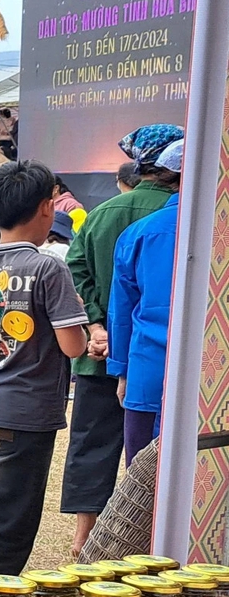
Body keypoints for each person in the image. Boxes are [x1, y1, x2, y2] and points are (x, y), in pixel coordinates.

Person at [0, 159, 89, 597]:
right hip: (23, 413)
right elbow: (73, 346)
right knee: (10, 525)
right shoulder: (48, 269)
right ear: (49, 208)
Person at [61, 124, 182, 554]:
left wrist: (98, 330)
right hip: (191, 369)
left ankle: (88, 537)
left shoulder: (110, 216)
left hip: (122, 361)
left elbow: (80, 274)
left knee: (105, 451)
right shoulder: (204, 223)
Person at [107, 138, 185, 465]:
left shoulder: (138, 233)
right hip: (211, 381)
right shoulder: (217, 231)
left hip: (146, 372)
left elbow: (121, 312)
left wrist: (121, 372)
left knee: (141, 485)